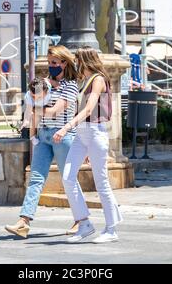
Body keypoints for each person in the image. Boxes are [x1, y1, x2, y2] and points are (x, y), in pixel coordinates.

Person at [4, 45, 80, 238]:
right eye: (49, 62)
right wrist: (31, 126)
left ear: (64, 63)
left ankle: (81, 220)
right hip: (43, 136)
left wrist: (33, 112)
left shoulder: (70, 85)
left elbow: (56, 111)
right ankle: (24, 221)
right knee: (36, 179)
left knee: (69, 179)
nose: (51, 66)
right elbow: (29, 102)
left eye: (54, 63)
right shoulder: (42, 83)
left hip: (62, 136)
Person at [53, 46, 123, 244]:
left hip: (94, 132)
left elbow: (89, 109)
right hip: (82, 134)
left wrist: (65, 128)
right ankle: (84, 223)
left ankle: (111, 228)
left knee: (101, 182)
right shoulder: (84, 81)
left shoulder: (98, 79)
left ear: (84, 59)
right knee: (67, 177)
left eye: (76, 59)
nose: (75, 63)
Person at [20, 77, 53, 145]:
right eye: (33, 97)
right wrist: (26, 121)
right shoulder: (29, 95)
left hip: (49, 106)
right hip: (38, 107)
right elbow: (28, 110)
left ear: (45, 92)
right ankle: (32, 137)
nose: (35, 99)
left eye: (38, 97)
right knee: (34, 116)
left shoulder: (51, 91)